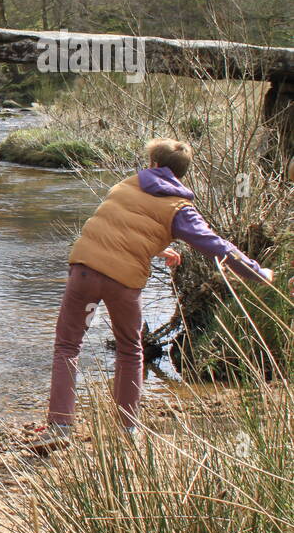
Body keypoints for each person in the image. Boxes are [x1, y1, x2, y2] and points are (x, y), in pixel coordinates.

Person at [34, 138, 272, 453]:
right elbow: (215, 245)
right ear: (180, 174)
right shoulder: (180, 209)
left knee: (68, 345)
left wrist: (159, 248)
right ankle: (127, 430)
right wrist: (257, 272)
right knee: (130, 351)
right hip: (122, 282)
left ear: (153, 165)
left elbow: (116, 228)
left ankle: (60, 427)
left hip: (85, 273)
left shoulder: (126, 185)